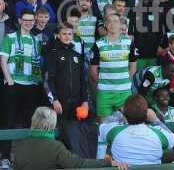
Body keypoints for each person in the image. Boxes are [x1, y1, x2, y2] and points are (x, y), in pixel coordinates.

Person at [13, 107, 126, 170]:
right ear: (51, 126)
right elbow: (78, 164)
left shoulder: (19, 145)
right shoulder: (55, 147)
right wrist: (107, 163)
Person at [0, 9, 42, 168]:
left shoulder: (36, 40)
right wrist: (9, 80)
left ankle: (26, 158)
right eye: (26, 20)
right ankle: (5, 158)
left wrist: (35, 82)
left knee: (28, 123)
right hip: (13, 84)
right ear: (19, 20)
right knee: (7, 121)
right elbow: (3, 60)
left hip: (30, 85)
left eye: (31, 20)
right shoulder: (10, 38)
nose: (29, 23)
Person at [45, 23, 90, 156]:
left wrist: (85, 101)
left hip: (77, 104)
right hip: (60, 103)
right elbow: (47, 81)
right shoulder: (52, 54)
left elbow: (84, 80)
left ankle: (75, 161)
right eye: (64, 33)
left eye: (69, 34)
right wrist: (55, 100)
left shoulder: (77, 55)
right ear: (58, 35)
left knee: (76, 137)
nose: (66, 36)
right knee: (59, 136)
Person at [89, 13, 137, 119]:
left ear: (120, 24)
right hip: (104, 92)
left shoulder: (129, 42)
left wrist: (124, 81)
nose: (112, 24)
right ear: (105, 24)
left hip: (124, 92)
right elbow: (93, 70)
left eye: (115, 21)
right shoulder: (98, 44)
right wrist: (103, 83)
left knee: (126, 123)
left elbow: (133, 67)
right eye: (109, 21)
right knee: (102, 126)